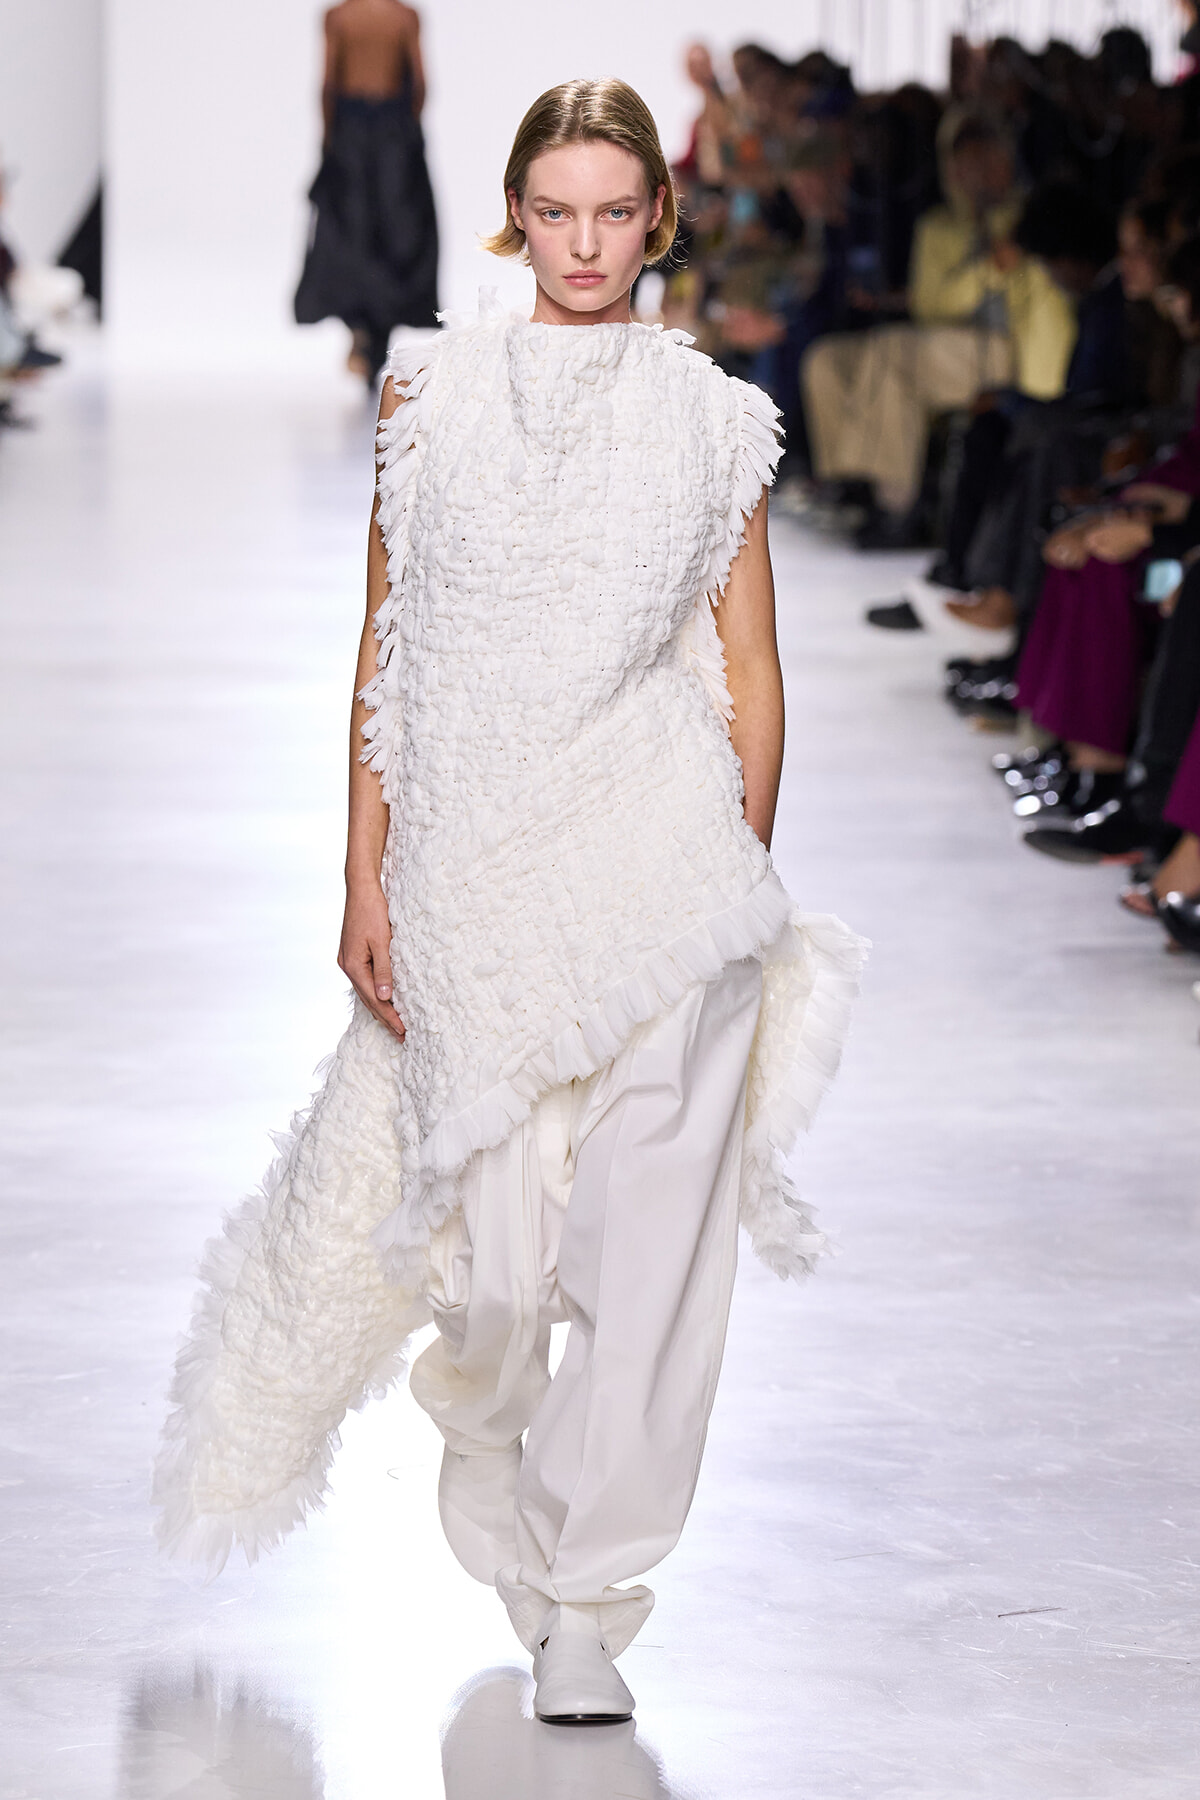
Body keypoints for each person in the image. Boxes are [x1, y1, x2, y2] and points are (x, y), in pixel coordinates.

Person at [155, 79, 865, 1727]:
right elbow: (386, 649)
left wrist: (740, 871)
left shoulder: (715, 422)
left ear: (656, 222)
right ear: (515, 215)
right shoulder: (434, 400)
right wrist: (362, 870)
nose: (588, 244)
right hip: (472, 878)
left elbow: (749, 670)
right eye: (559, 211)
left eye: (618, 212)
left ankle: (590, 1600)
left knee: (650, 1259)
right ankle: (493, 1452)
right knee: (483, 1274)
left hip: (667, 882)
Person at [801, 112, 1076, 547]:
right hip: (946, 340)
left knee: (894, 355)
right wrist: (984, 270)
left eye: (988, 158)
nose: (978, 172)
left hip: (1010, 349)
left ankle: (897, 504)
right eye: (966, 161)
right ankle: (851, 481)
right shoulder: (939, 226)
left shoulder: (1028, 213)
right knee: (826, 358)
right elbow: (930, 304)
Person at [294, 0, 438, 383]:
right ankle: (377, 336)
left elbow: (328, 84)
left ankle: (362, 334)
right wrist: (406, 135)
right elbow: (421, 83)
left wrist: (330, 140)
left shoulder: (339, 17)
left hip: (351, 135)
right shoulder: (403, 17)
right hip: (394, 136)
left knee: (351, 235)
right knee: (396, 234)